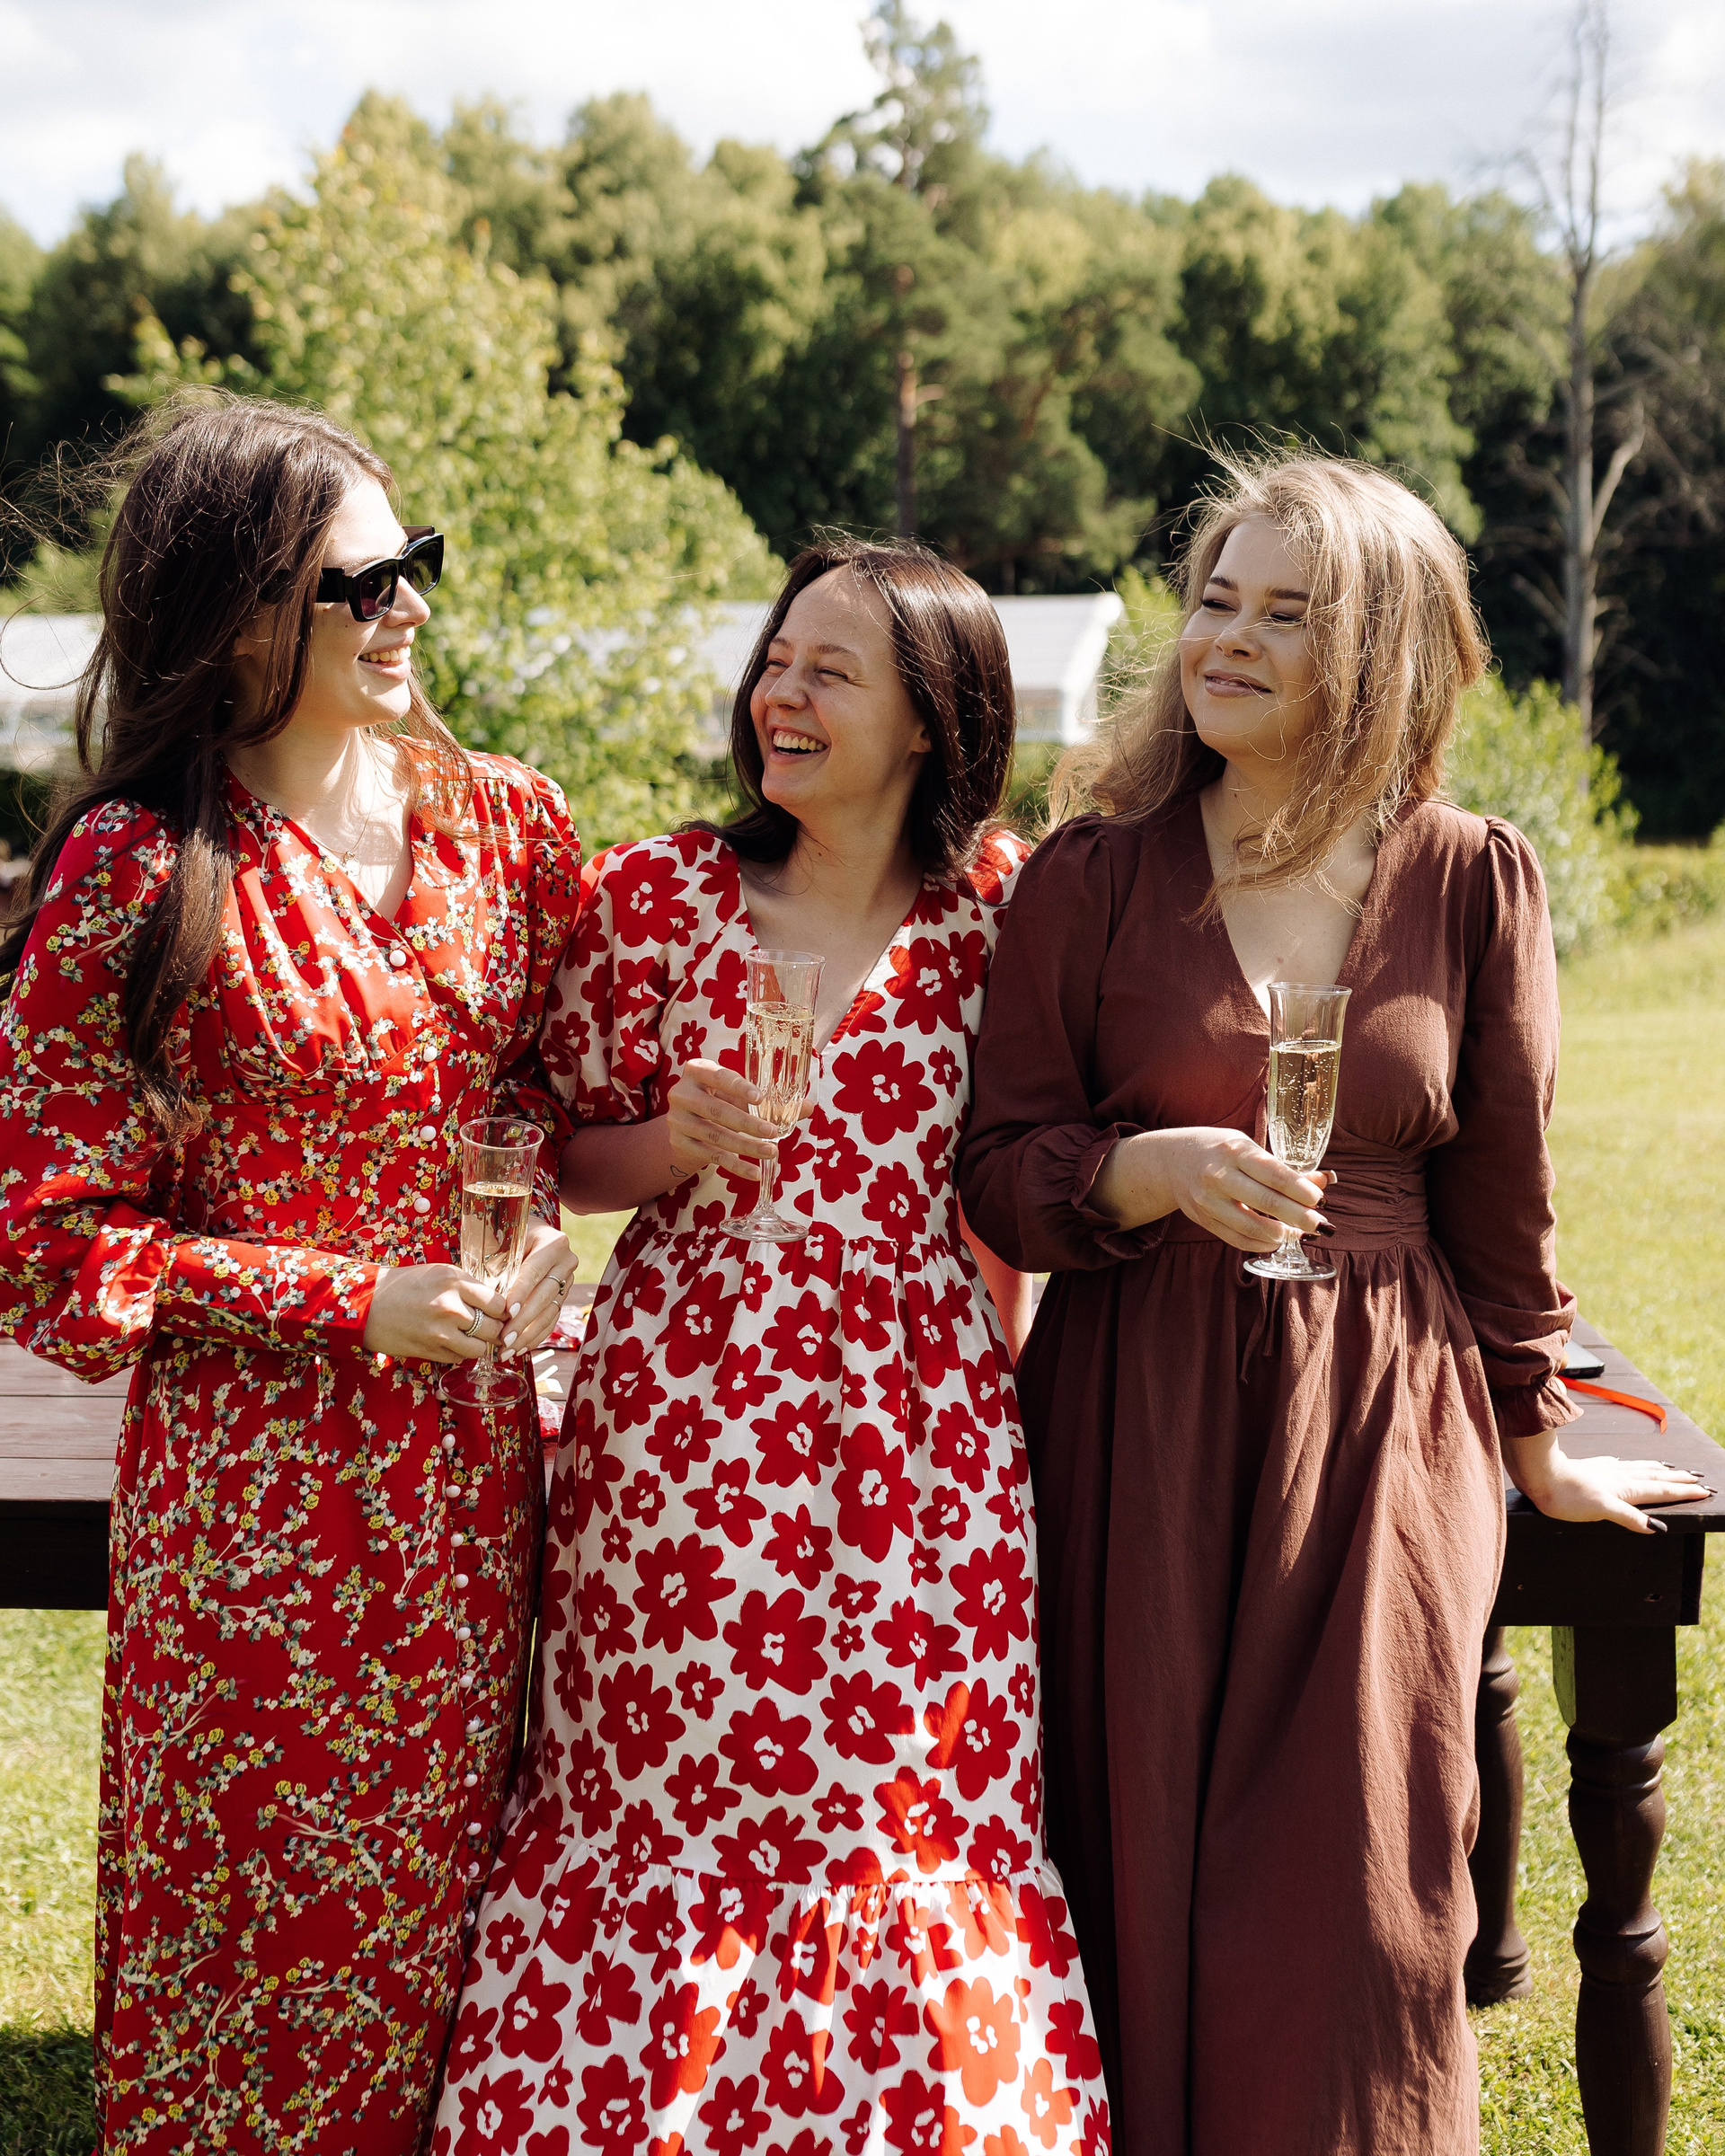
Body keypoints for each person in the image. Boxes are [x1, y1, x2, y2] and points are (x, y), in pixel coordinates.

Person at [955, 453, 1709, 2156]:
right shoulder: (1092, 874)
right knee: (1125, 1835)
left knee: (1362, 1876)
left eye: (1285, 614)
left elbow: (1503, 1198)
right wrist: (1141, 1173)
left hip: (1381, 1413)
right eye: (1215, 598)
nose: (1226, 638)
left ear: (1378, 653)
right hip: (1135, 1405)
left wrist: (1534, 1435)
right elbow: (999, 1168)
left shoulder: (1470, 878)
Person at [433, 540, 1109, 2156]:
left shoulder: (1000, 914)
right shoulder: (659, 895)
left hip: (924, 1448)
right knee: (664, 1802)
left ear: (933, 719)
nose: (777, 697)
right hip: (681, 1432)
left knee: (903, 1808)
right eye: (776, 661)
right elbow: (552, 1146)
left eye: (829, 672)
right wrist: (670, 1143)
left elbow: (1014, 1181)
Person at [0, 394, 583, 2155]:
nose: (410, 607)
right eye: (361, 582)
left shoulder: (510, 831)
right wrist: (345, 1299)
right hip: (254, 1521)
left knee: (450, 1945)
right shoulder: (137, 867)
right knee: (258, 1956)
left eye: (418, 564)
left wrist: (540, 1240)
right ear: (239, 612)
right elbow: (42, 1246)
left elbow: (556, 1110)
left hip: (467, 1497)